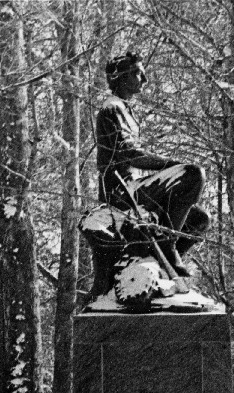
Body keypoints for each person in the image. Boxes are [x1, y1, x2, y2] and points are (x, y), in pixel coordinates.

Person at [94, 51, 209, 287]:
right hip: (120, 193)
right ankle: (166, 248)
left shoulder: (124, 109)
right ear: (121, 77)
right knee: (193, 174)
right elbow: (128, 154)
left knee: (199, 219)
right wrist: (171, 165)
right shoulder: (111, 108)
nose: (144, 79)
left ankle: (156, 260)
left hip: (133, 189)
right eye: (137, 73)